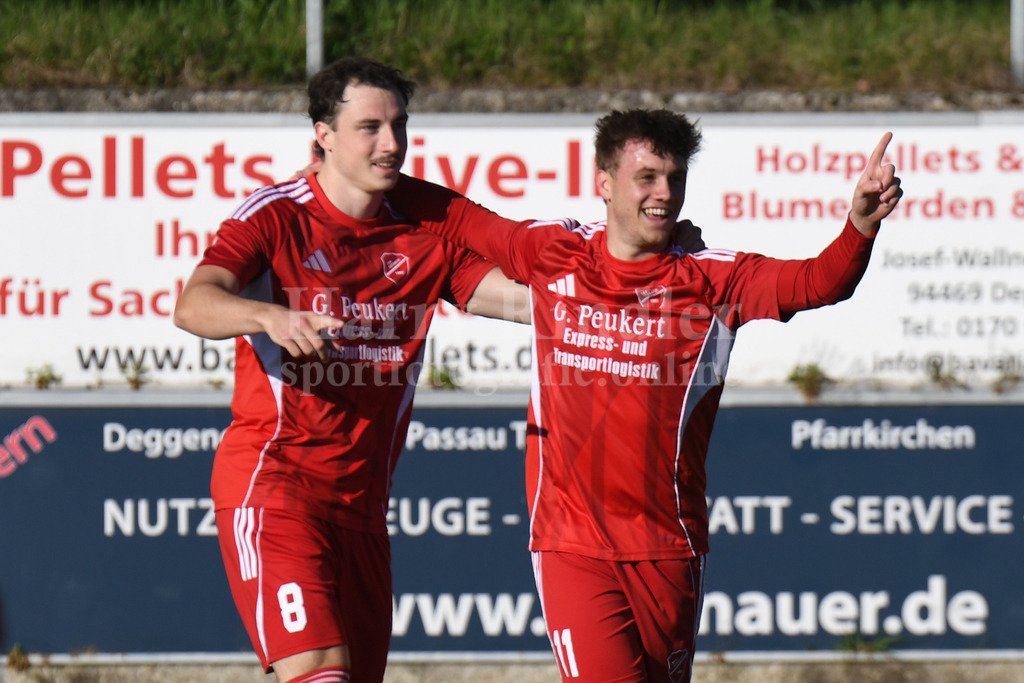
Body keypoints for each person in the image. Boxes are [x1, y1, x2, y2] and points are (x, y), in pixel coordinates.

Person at [390, 109, 903, 682]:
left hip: (668, 545)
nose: (664, 194)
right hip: (569, 541)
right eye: (647, 177)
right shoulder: (553, 251)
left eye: (675, 178)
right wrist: (369, 170)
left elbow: (816, 283)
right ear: (605, 183)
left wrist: (860, 225)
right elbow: (460, 219)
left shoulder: (715, 281)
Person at [172, 57, 531, 683]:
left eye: (400, 126)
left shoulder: (423, 229)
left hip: (363, 510)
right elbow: (193, 303)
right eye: (369, 127)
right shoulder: (276, 213)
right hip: (275, 486)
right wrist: (268, 317)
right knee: (318, 672)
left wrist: (642, 285)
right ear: (324, 134)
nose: (391, 145)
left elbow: (524, 299)